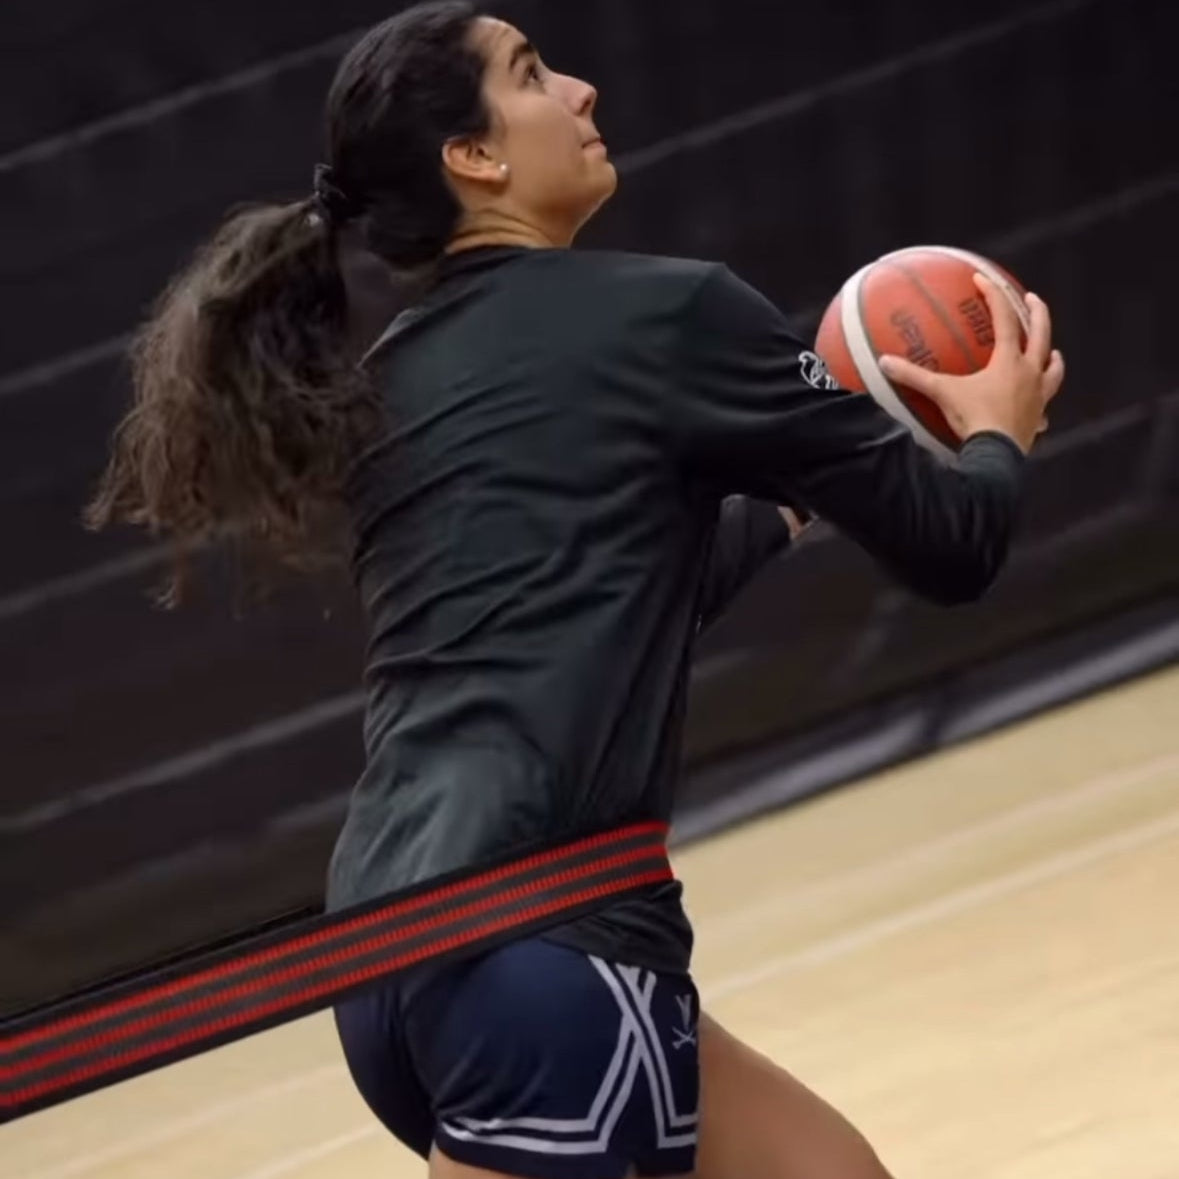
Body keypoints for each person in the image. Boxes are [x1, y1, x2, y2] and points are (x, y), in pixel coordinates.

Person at [85, 3, 1064, 1176]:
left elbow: (604, 593)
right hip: (546, 945)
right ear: (475, 158)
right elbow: (955, 547)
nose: (584, 90)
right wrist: (997, 438)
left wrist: (791, 507)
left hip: (392, 951)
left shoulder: (388, 384)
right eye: (534, 73)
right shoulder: (675, 311)